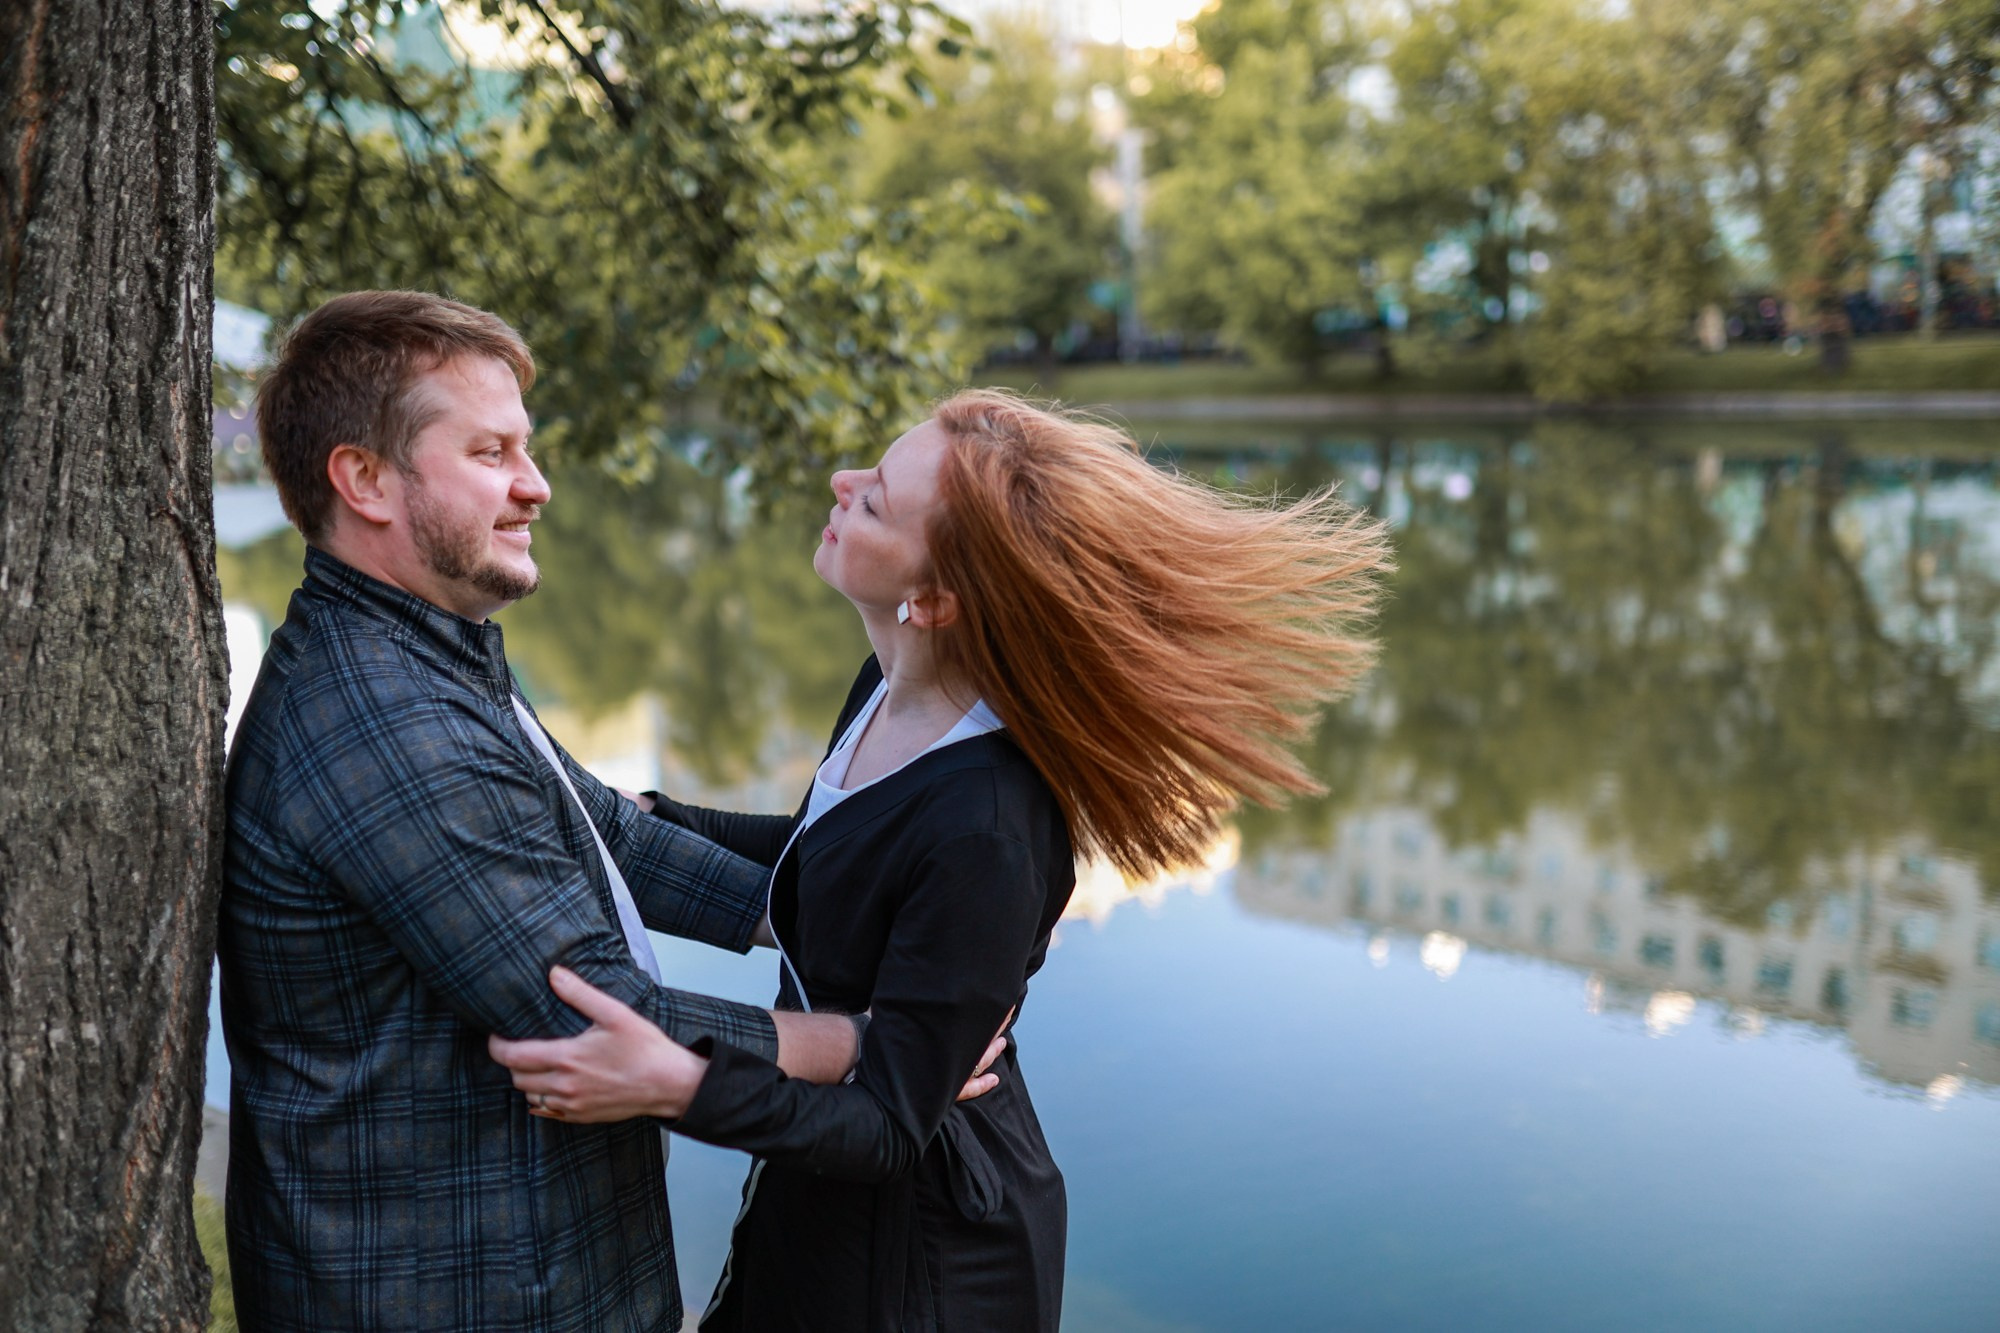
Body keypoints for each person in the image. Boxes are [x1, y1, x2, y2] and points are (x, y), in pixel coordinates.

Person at [490, 390, 1392, 1330]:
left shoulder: (986, 826)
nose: (841, 484)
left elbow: (888, 1123)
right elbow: (824, 857)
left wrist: (676, 1082)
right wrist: (645, 822)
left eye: (875, 498)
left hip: (924, 1255)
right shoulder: (891, 679)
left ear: (934, 598)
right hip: (820, 1184)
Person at [218, 290, 880, 1332]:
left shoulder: (426, 649)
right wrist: (869, 1046)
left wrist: (825, 915)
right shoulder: (382, 723)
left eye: (523, 448)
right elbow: (603, 1020)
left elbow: (607, 837)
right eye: (489, 453)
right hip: (451, 1297)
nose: (536, 487)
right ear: (365, 479)